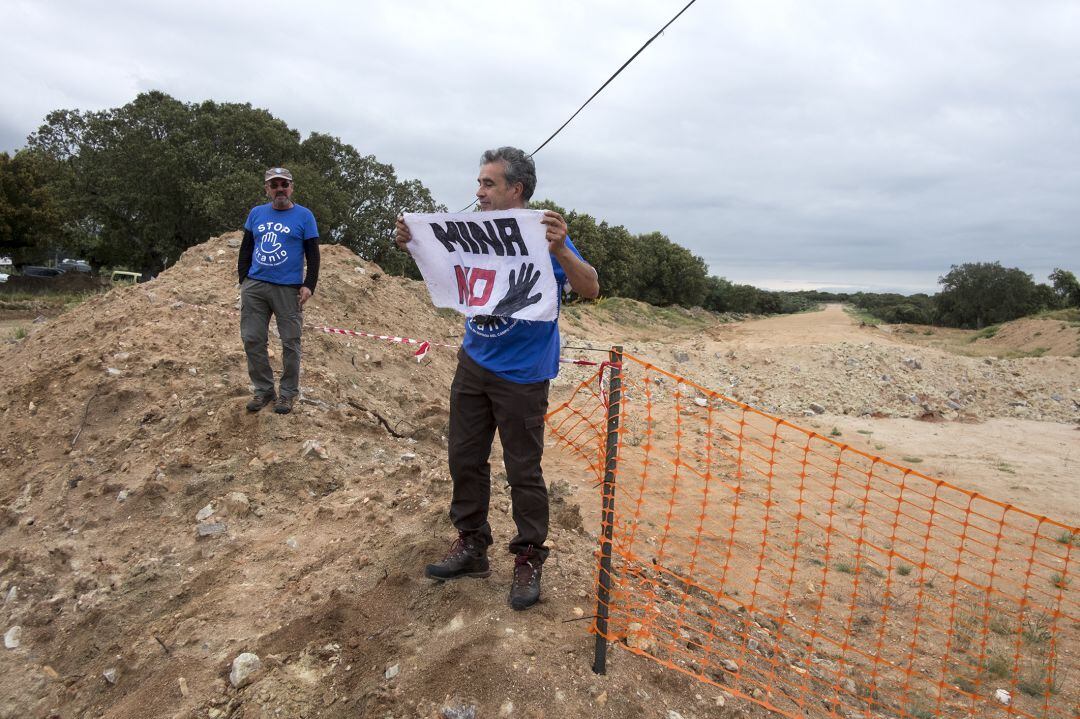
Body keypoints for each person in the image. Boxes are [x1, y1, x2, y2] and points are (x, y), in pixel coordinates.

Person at [395, 147, 599, 610]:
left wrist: (563, 248)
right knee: (464, 458)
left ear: (516, 190)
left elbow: (590, 288)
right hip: (474, 363)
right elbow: (444, 268)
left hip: (524, 376)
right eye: (480, 183)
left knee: (523, 470)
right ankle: (471, 545)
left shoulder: (543, 237)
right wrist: (411, 241)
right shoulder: (473, 233)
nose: (478, 192)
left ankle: (528, 557)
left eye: (488, 184)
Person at [238, 167, 320, 415]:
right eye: (274, 185)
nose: (279, 189)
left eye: (284, 184)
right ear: (267, 190)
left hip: (288, 289)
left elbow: (313, 254)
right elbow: (246, 248)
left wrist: (309, 284)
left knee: (290, 343)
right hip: (255, 285)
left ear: (291, 187)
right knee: (252, 339)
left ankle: (287, 394)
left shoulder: (304, 216)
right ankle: (263, 390)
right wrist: (244, 279)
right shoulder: (256, 214)